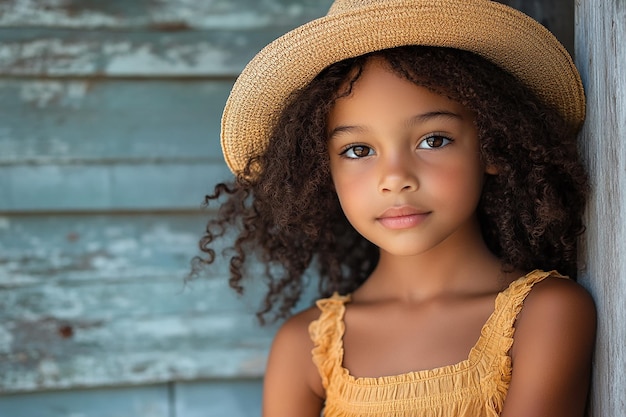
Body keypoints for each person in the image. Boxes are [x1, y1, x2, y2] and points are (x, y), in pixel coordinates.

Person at [194, 0, 596, 415]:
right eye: (358, 149)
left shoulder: (544, 315)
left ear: (493, 146)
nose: (394, 177)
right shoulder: (305, 347)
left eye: (434, 140)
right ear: (321, 171)